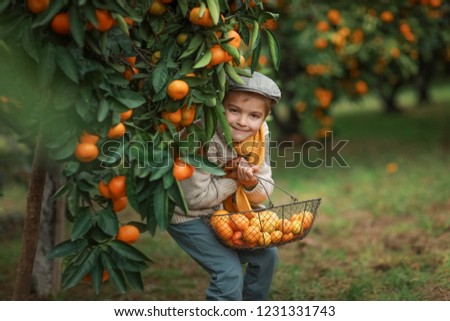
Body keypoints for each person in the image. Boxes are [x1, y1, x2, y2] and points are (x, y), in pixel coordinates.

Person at [167, 71, 281, 300]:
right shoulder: (200, 135)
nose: (242, 121)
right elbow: (194, 199)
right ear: (219, 106)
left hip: (223, 213)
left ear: (263, 119)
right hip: (188, 215)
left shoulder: (258, 136)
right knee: (228, 273)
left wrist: (250, 185)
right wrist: (235, 180)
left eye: (254, 115)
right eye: (234, 110)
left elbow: (264, 190)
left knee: (267, 255)